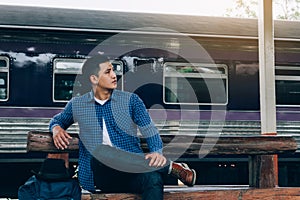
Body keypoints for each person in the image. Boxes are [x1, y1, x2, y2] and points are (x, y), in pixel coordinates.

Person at [49, 54, 196, 199]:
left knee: (153, 178)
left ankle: (164, 167)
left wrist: (157, 152)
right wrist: (56, 129)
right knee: (101, 151)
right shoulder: (78, 105)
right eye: (108, 72)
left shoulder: (131, 101)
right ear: (94, 79)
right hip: (100, 177)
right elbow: (57, 121)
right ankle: (169, 167)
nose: (114, 75)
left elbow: (150, 130)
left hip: (132, 173)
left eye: (113, 70)